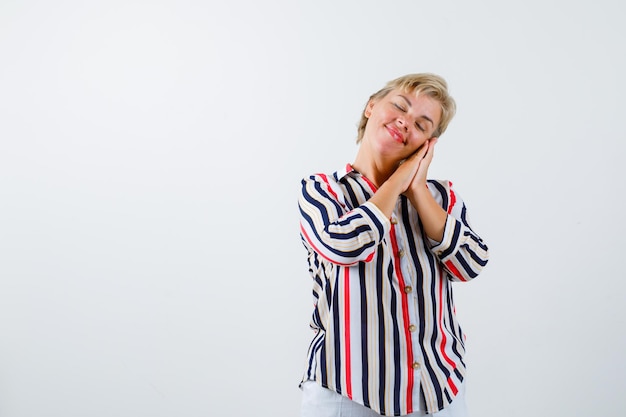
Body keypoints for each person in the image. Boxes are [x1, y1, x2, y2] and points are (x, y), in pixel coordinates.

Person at [297, 73, 489, 417]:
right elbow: (344, 246)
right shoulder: (322, 190)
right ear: (371, 107)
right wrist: (400, 179)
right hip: (348, 391)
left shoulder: (441, 198)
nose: (405, 121)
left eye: (422, 123)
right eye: (399, 106)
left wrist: (417, 191)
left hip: (437, 392)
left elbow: (471, 263)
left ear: (427, 143)